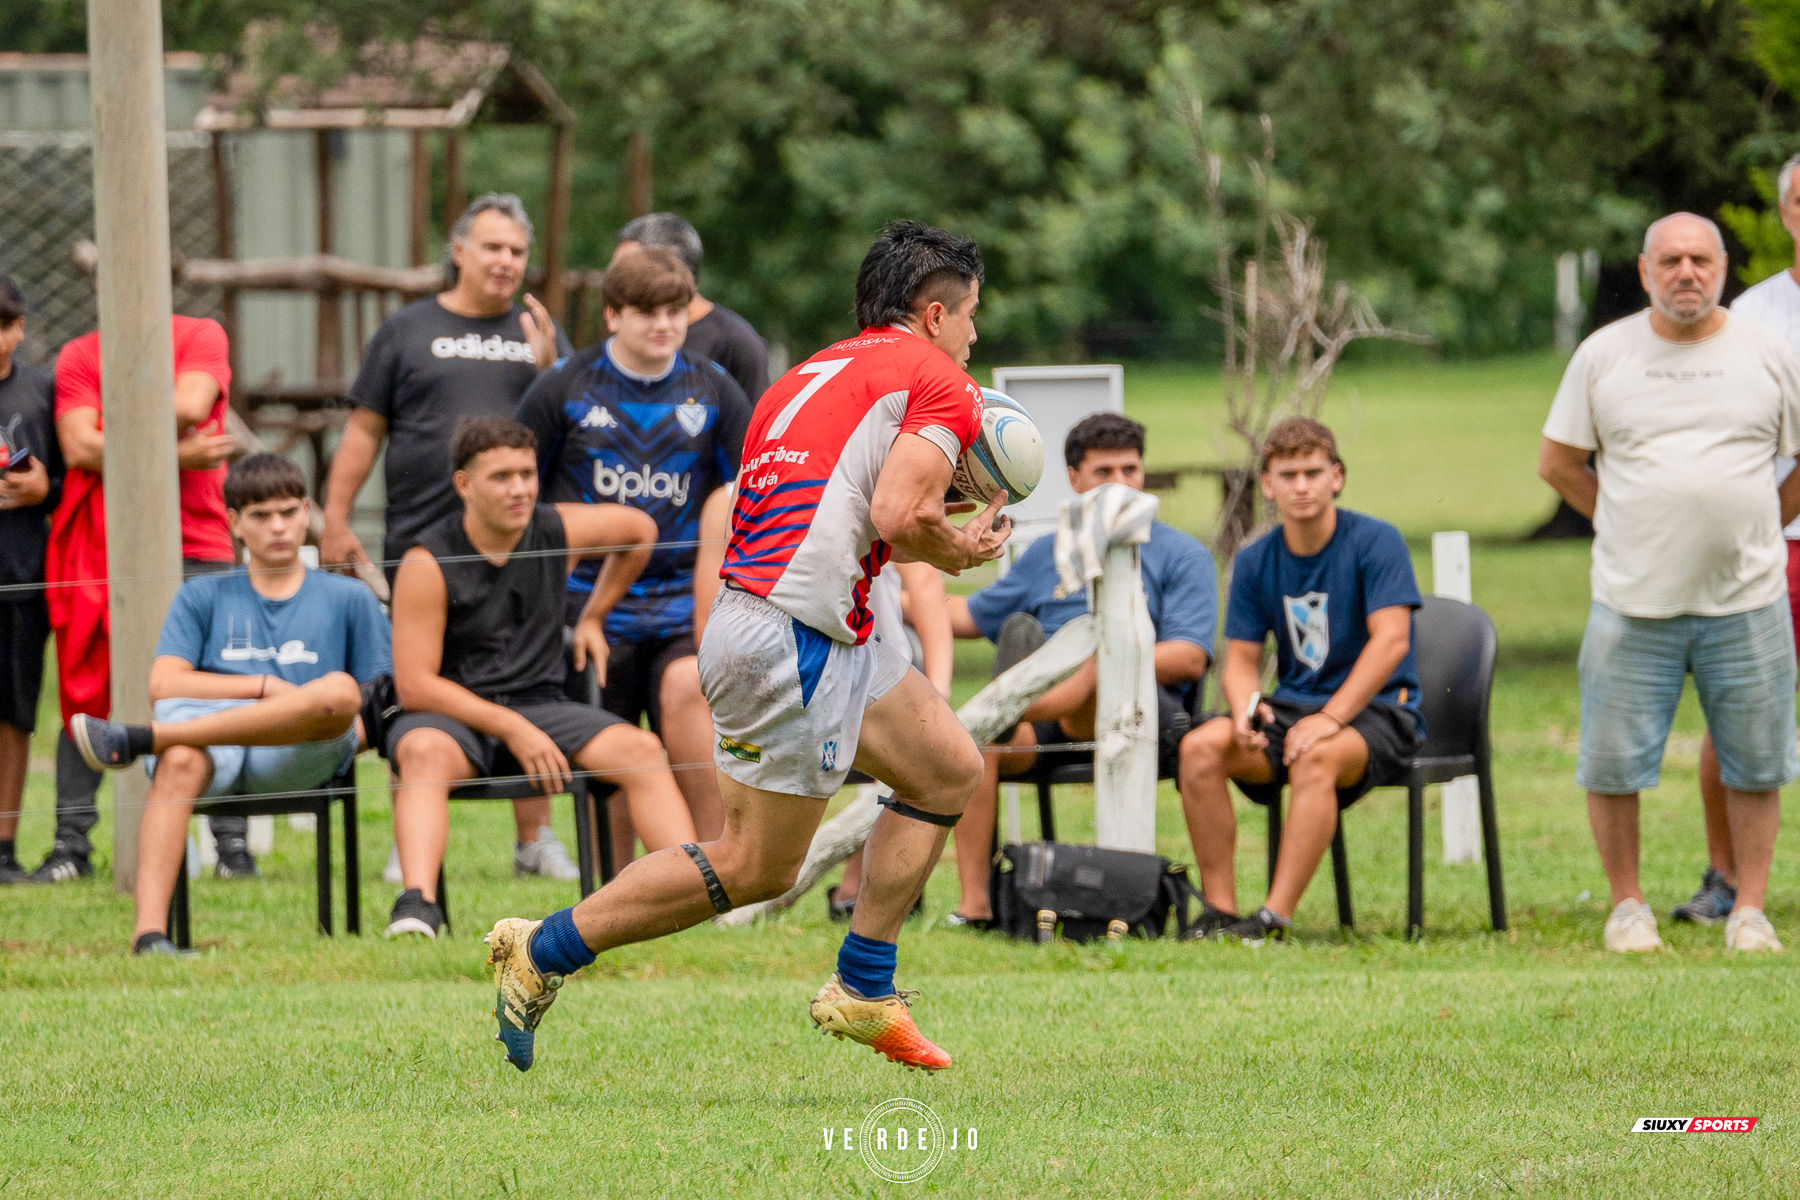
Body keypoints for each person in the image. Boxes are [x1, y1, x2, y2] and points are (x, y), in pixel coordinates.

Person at [481, 220, 1008, 1075]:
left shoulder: (811, 372)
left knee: (948, 767)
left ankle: (865, 985)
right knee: (756, 865)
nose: (975, 334)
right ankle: (543, 950)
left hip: (800, 619)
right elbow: (899, 517)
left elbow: (850, 515)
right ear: (936, 312)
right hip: (794, 639)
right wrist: (962, 546)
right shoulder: (940, 380)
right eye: (972, 315)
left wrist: (921, 529)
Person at [1540, 212, 1800, 953]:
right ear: (1647, 270)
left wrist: (1760, 522)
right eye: (1671, 260)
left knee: (1756, 760)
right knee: (1614, 762)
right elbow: (1558, 462)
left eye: (1700, 259)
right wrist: (1618, 519)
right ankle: (1628, 908)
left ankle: (1749, 910)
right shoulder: (1604, 354)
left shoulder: (1768, 352)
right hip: (1632, 599)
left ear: (1722, 267)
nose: (1687, 272)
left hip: (1747, 598)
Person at [320, 193, 579, 881]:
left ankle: (536, 840)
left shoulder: (539, 333)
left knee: (526, 681)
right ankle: (412, 841)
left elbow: (570, 430)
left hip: (519, 550)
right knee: (414, 689)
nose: (505, 262)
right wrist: (336, 517)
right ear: (458, 250)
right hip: (422, 549)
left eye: (517, 252)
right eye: (492, 247)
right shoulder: (406, 329)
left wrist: (553, 369)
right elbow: (364, 431)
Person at [381, 416, 695, 939]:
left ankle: (692, 895)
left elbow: (640, 532)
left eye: (527, 474)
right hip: (451, 714)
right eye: (501, 477)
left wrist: (594, 615)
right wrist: (510, 726)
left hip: (543, 704)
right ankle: (418, 907)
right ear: (464, 484)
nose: (521, 489)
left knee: (641, 750)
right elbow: (414, 685)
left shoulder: (554, 528)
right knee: (422, 754)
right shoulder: (426, 561)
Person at [65, 455, 391, 955]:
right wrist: (265, 688)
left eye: (288, 511)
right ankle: (149, 936)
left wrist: (316, 716)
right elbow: (164, 683)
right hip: (211, 751)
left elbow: (373, 698)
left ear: (307, 510)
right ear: (234, 523)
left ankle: (142, 739)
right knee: (179, 759)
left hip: (302, 753)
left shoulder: (349, 597)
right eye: (260, 516)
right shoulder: (201, 594)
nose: (278, 527)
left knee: (336, 692)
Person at [514, 248, 751, 849]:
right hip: (588, 605)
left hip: (681, 601)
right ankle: (620, 890)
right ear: (612, 315)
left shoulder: (714, 390)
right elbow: (520, 498)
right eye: (647, 312)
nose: (664, 324)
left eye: (674, 311)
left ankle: (718, 871)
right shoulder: (563, 388)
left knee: (687, 693)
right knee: (614, 751)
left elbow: (748, 494)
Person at [940, 412, 1216, 928]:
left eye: (1130, 471)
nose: (1120, 486)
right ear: (1073, 479)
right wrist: (897, 573)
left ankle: (1017, 696)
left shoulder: (1182, 553)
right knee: (974, 747)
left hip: (1147, 708)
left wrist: (1102, 661)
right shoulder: (1047, 552)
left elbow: (1189, 656)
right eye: (1103, 473)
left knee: (1096, 660)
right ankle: (975, 906)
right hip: (1052, 715)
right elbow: (967, 616)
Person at [1180, 417, 1425, 944]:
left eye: (1313, 472)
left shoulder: (1376, 542)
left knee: (1315, 755)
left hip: (1380, 710)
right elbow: (1241, 659)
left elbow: (1392, 642)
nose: (1301, 486)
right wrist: (1245, 708)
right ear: (1267, 484)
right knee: (1201, 746)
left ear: (1336, 476)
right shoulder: (1255, 559)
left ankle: (1272, 919)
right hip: (1293, 707)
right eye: (1287, 474)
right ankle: (1220, 911)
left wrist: (1330, 719)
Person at [42, 311, 244, 884]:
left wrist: (109, 428)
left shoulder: (201, 334)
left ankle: (233, 846)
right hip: (106, 544)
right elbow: (78, 447)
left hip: (198, 542)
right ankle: (69, 845)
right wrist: (178, 454)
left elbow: (191, 405)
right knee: (90, 684)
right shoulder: (80, 352)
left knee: (217, 682)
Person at [1673, 154, 1800, 927]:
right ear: (1789, 213)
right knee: (1738, 714)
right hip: (1775, 549)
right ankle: (1726, 879)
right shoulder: (1754, 317)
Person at [827, 558, 954, 920]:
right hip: (860, 664)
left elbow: (924, 575)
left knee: (913, 775)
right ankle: (865, 889)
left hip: (872, 669)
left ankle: (869, 890)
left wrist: (937, 690)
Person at [0, 277, 63, 884]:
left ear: (18, 329)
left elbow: (74, 482)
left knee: (15, 713)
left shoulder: (41, 391)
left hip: (22, 577)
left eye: (2, 324)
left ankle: (4, 847)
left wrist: (45, 490)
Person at [613, 213, 770, 402]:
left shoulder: (735, 343)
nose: (615, 277)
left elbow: (753, 427)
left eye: (628, 267)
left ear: (672, 267)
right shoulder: (631, 328)